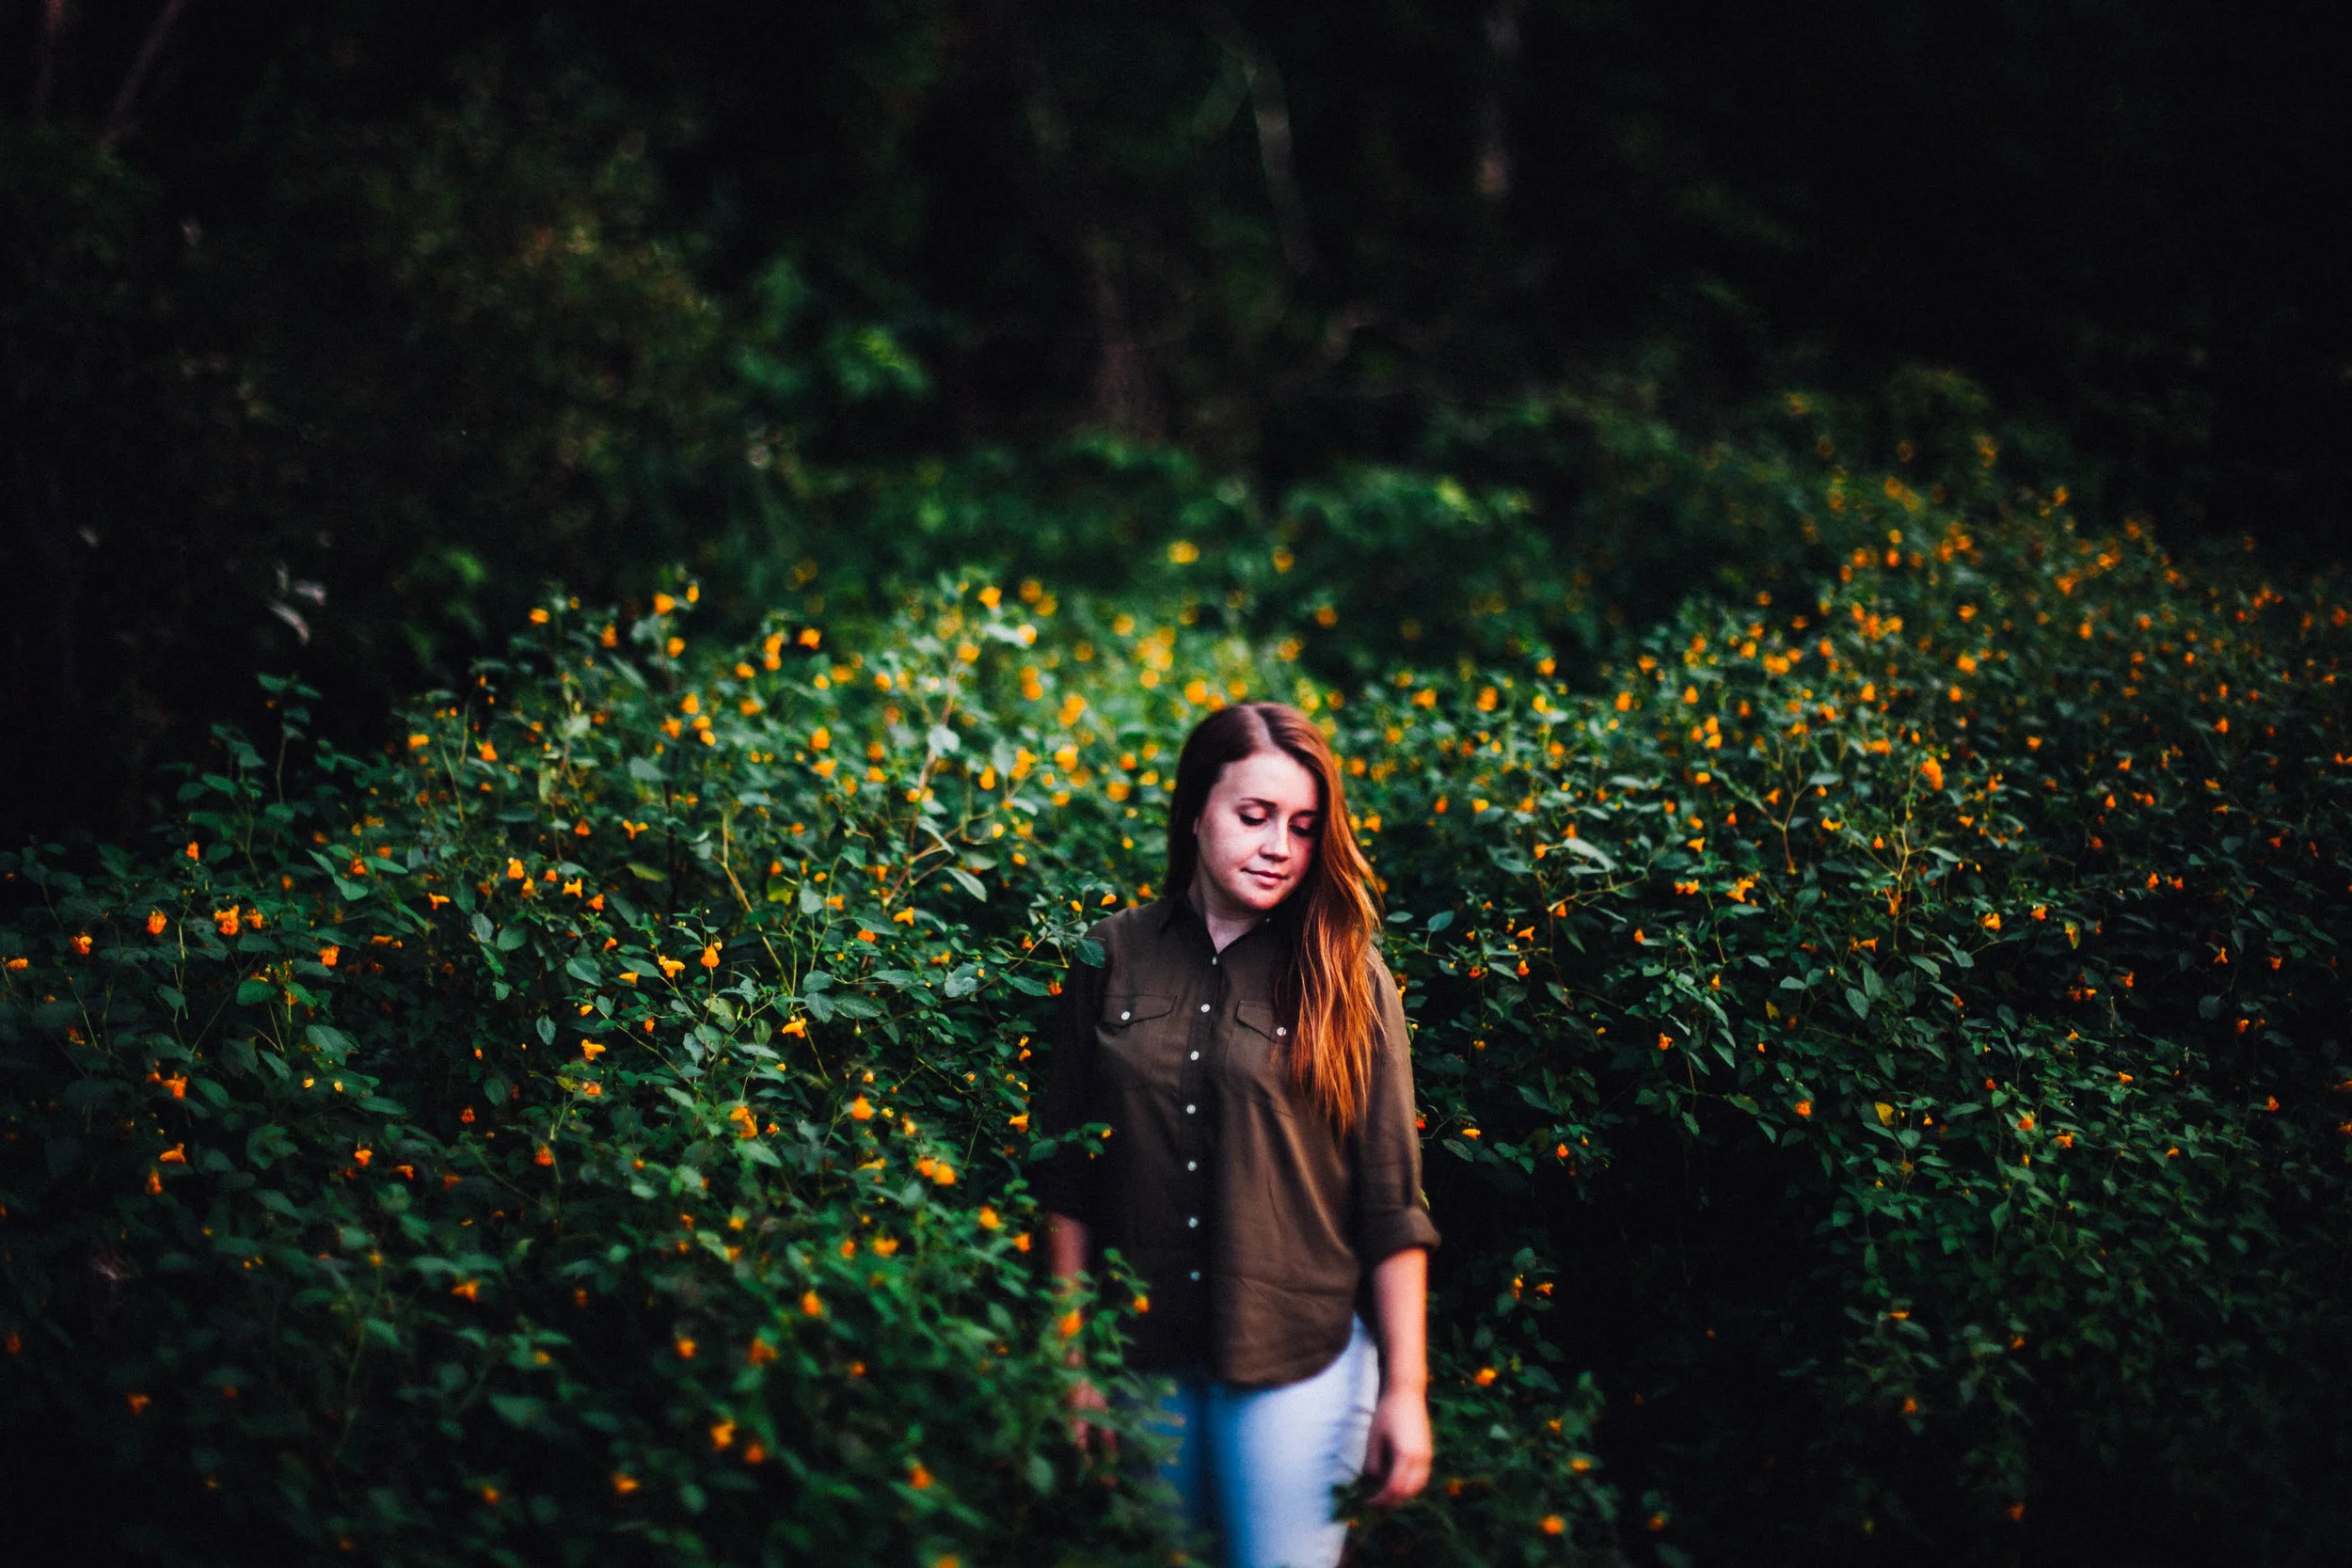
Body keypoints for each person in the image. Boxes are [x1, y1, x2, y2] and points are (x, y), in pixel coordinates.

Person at [1033, 702, 1440, 1568]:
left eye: (1303, 825)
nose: (1279, 846)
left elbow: (1392, 1203)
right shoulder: (1109, 955)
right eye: (1254, 816)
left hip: (1295, 1356)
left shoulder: (1347, 976)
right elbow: (1065, 1179)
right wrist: (1069, 1360)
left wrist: (1406, 1390)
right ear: (1195, 811)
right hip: (1139, 1353)